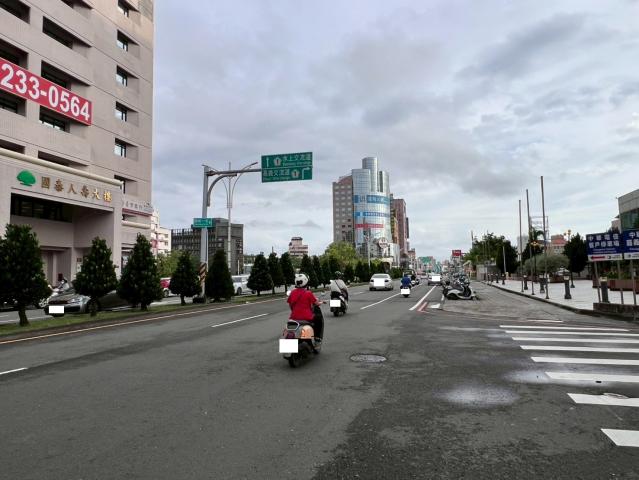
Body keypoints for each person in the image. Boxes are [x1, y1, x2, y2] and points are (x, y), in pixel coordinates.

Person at [287, 273, 324, 341]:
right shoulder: (308, 293)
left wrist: (294, 311)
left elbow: (290, 305)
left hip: (293, 317)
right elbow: (316, 303)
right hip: (307, 317)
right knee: (318, 319)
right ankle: (317, 337)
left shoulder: (292, 292)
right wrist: (321, 303)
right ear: (306, 282)